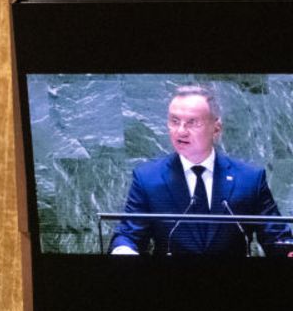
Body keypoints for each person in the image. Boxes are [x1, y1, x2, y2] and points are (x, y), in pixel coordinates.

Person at [110, 85, 289, 257]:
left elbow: (277, 238)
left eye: (192, 123)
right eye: (174, 121)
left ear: (216, 128)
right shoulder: (148, 178)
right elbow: (128, 235)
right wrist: (124, 250)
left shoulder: (249, 178)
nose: (181, 131)